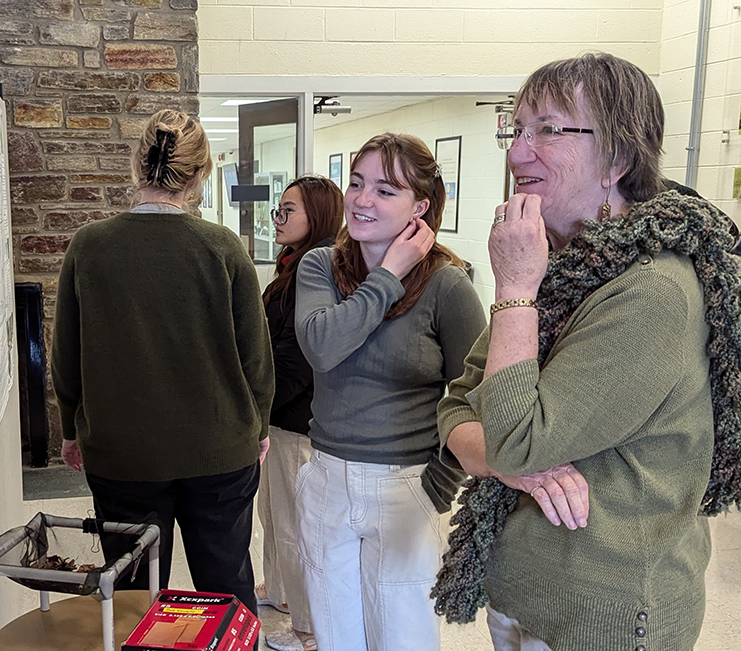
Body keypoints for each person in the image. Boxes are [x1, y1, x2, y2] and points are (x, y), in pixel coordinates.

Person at [431, 53, 741, 651]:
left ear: (618, 159)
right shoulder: (563, 263)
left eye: (548, 129)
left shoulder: (651, 290)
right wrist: (503, 463)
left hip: (607, 616)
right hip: (524, 596)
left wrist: (515, 289)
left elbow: (516, 436)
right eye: (516, 128)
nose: (518, 152)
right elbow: (457, 408)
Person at [50, 109, 274, 616]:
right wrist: (258, 425)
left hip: (122, 451)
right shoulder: (223, 248)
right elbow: (255, 358)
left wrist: (70, 428)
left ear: (137, 164)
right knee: (226, 583)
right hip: (220, 448)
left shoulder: (90, 247)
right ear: (200, 175)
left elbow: (66, 352)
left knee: (132, 593)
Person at [293, 133, 486, 651]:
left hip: (407, 483)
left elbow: (476, 397)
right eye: (356, 183)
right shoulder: (320, 267)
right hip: (328, 478)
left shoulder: (449, 285)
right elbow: (322, 347)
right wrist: (389, 275)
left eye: (384, 190)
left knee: (403, 638)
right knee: (335, 637)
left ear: (420, 207)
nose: (361, 200)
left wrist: (440, 482)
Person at [255, 176, 343, 651]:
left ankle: (307, 629)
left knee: (294, 526)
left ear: (319, 218)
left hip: (294, 423)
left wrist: (257, 409)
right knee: (273, 514)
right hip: (279, 417)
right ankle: (280, 591)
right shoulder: (294, 267)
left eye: (288, 211)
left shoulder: (319, 270)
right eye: (279, 210)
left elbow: (296, 361)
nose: (278, 219)